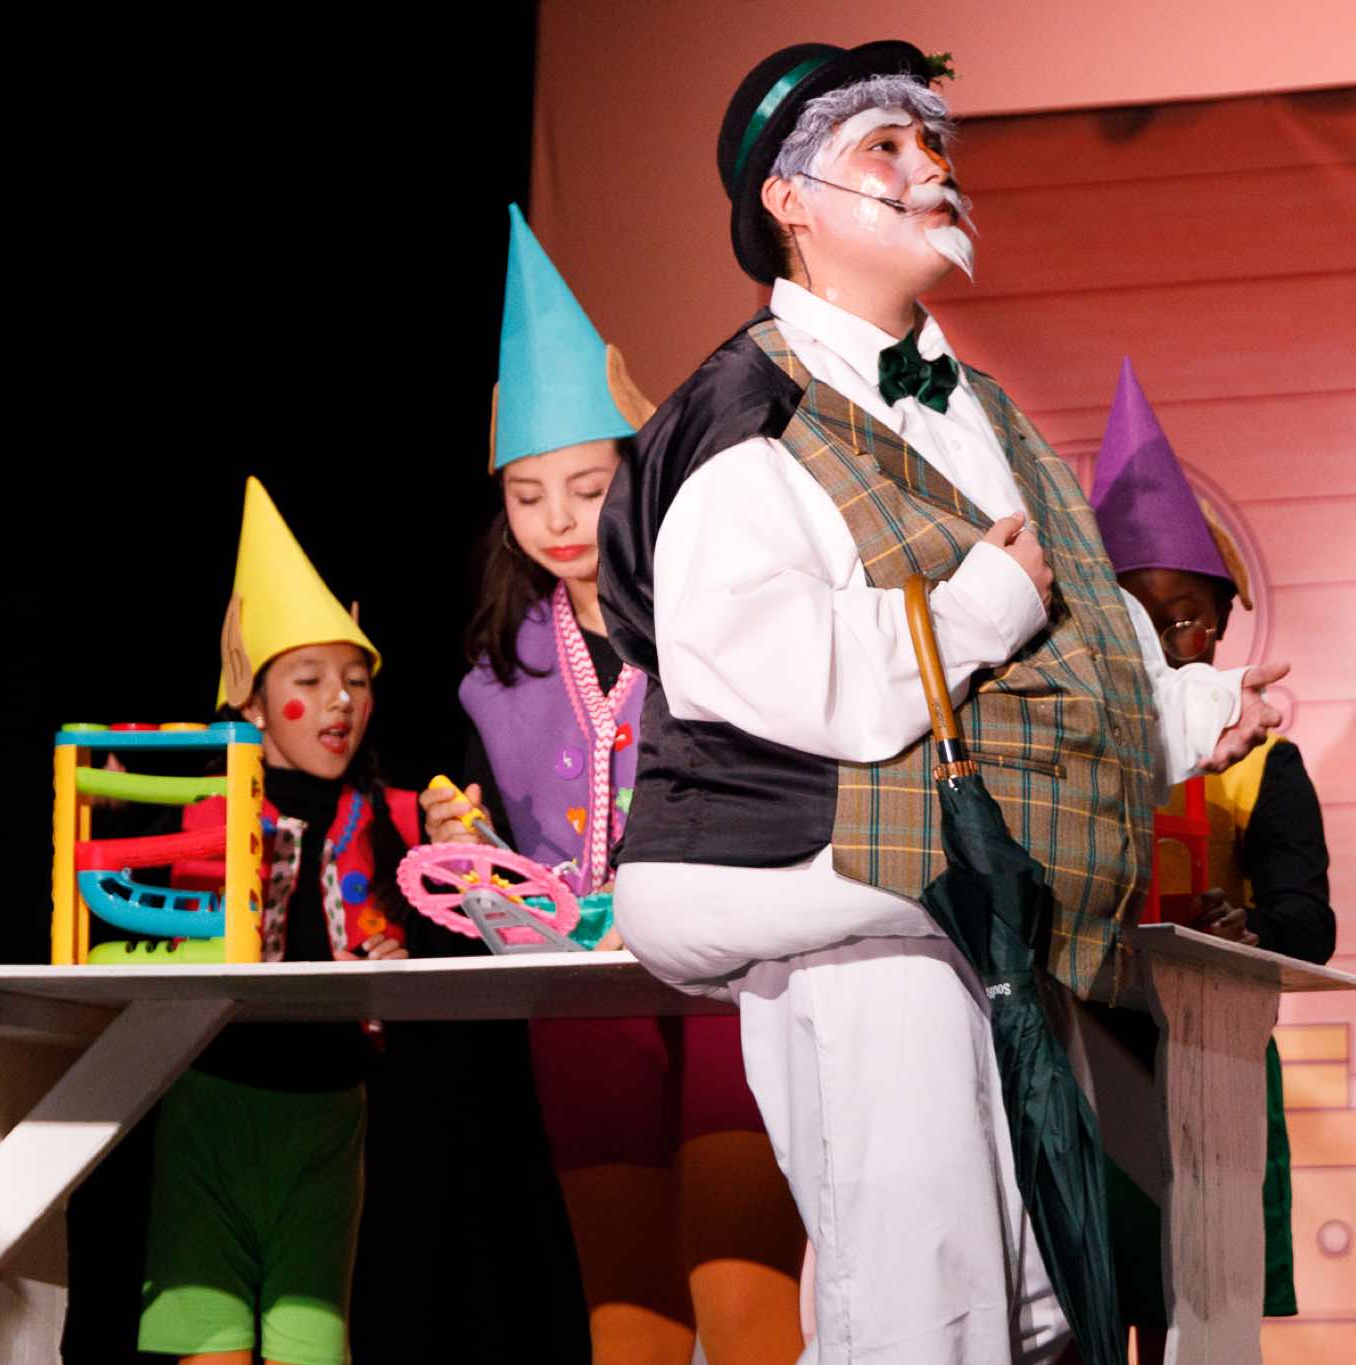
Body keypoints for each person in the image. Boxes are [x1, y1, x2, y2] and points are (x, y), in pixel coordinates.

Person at [596, 42, 1288, 1363]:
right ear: (788, 204)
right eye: (883, 149)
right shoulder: (745, 412)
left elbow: (1057, 636)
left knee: (1033, 1302)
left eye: (933, 145)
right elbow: (748, 661)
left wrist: (1186, 716)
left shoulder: (980, 407)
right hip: (851, 900)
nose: (929, 170)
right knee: (921, 1302)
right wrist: (969, 609)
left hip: (985, 911)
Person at [424, 205, 806, 1364]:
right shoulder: (498, 675)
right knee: (625, 1310)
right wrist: (467, 838)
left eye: (586, 488)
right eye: (527, 495)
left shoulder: (713, 613)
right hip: (580, 998)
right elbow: (515, 849)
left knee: (743, 1303)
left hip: (728, 976)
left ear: (636, 474)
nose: (558, 521)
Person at [1086, 357, 1338, 1361]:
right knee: (1081, 1305)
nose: (1167, 641)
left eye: (1187, 615)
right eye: (1139, 619)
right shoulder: (1068, 763)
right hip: (1089, 1057)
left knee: (1203, 1317)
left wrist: (1247, 928)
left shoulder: (1263, 767)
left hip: (1208, 1065)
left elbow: (1309, 923)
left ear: (1226, 621)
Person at [137, 476, 418, 1365]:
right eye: (311, 680)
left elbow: (456, 875)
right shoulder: (211, 807)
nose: (341, 701)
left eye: (357, 680)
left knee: (310, 1344)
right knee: (210, 1342)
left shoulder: (383, 811)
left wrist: (451, 838)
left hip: (327, 1116)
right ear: (252, 701)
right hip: (210, 1103)